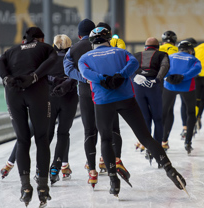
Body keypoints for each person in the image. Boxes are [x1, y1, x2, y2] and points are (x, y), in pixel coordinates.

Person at [78, 27, 186, 197]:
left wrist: (103, 79)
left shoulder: (84, 57)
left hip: (103, 101)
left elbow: (86, 73)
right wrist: (120, 75)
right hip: (126, 99)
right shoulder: (121, 52)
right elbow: (134, 63)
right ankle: (170, 169)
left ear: (92, 43)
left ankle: (113, 180)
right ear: (108, 40)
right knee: (145, 137)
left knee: (106, 139)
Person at [0, 27, 57, 208]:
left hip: (13, 92)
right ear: (41, 38)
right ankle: (43, 187)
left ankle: (25, 188)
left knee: (22, 140)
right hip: (36, 90)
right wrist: (35, 76)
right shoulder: (45, 47)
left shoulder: (11, 50)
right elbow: (52, 61)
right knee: (42, 139)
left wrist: (6, 78)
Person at [63, 19, 127, 188]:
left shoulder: (74, 49)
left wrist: (84, 77)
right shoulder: (109, 46)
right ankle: (115, 160)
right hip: (106, 93)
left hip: (85, 93)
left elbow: (67, 68)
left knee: (89, 131)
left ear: (78, 35)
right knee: (112, 129)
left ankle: (92, 172)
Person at [132, 37, 170, 164]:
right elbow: (165, 66)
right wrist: (157, 79)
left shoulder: (136, 55)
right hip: (153, 86)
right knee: (158, 119)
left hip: (138, 87)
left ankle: (148, 148)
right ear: (158, 47)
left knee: (145, 119)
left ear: (145, 47)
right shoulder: (162, 54)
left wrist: (135, 77)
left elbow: (128, 68)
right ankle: (158, 151)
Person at [46, 34, 78, 184]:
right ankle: (56, 168)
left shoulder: (48, 59)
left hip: (50, 99)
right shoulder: (73, 59)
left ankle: (41, 168)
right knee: (63, 133)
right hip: (69, 99)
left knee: (47, 133)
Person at [162, 40, 201, 154]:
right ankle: (188, 142)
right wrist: (183, 77)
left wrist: (169, 77)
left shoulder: (170, 56)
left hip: (170, 86)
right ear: (190, 51)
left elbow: (163, 67)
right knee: (191, 113)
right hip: (187, 86)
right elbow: (197, 69)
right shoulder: (193, 59)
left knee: (165, 113)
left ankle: (162, 140)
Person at [180, 37, 197, 139]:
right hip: (193, 82)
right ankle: (190, 125)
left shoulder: (181, 55)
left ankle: (185, 127)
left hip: (183, 82)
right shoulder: (193, 55)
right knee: (192, 104)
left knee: (184, 104)